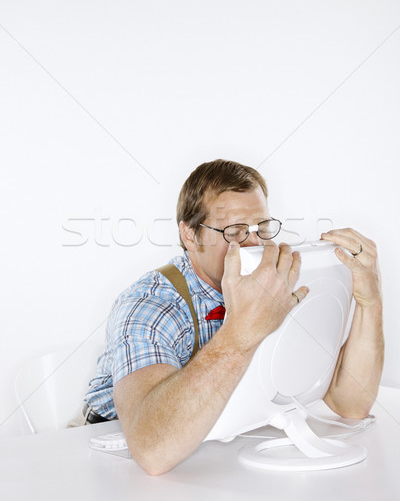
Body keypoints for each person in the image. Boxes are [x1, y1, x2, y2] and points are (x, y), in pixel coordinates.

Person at [78, 159, 384, 475]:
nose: (254, 244)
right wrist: (240, 333)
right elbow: (152, 451)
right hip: (110, 456)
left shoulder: (273, 284)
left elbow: (350, 405)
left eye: (261, 229)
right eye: (235, 231)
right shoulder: (151, 306)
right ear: (190, 236)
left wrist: (369, 302)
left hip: (216, 451)